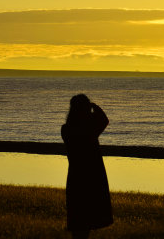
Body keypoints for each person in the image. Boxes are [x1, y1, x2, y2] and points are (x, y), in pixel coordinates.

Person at [61, 94, 113, 238]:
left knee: (78, 216)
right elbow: (104, 119)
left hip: (76, 176)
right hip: (91, 175)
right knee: (87, 216)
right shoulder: (89, 130)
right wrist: (93, 106)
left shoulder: (66, 129)